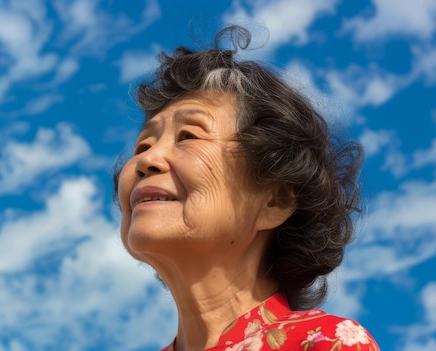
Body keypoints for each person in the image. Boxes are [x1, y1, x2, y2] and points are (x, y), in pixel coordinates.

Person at [113, 26, 380, 351]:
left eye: (188, 136)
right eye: (142, 145)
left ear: (275, 200)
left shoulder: (324, 344)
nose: (148, 159)